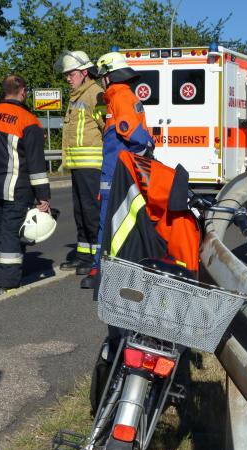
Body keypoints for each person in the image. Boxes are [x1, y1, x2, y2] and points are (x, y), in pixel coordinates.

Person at [0, 75, 51, 295]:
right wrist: (43, 196)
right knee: (11, 235)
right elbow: (36, 165)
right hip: (17, 189)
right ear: (23, 91)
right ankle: (7, 281)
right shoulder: (29, 120)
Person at [81, 52, 155, 289]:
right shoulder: (121, 96)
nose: (100, 81)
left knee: (109, 222)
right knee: (122, 222)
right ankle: (119, 270)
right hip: (123, 171)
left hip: (117, 173)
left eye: (101, 77)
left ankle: (102, 271)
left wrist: (134, 163)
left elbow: (134, 136)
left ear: (108, 77)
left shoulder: (120, 97)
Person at [54, 50, 106, 276]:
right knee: (80, 212)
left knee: (91, 212)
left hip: (92, 166)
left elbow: (107, 126)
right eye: (66, 74)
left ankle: (96, 258)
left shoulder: (95, 94)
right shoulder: (76, 96)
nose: (68, 78)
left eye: (72, 73)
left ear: (85, 72)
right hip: (78, 166)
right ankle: (84, 254)